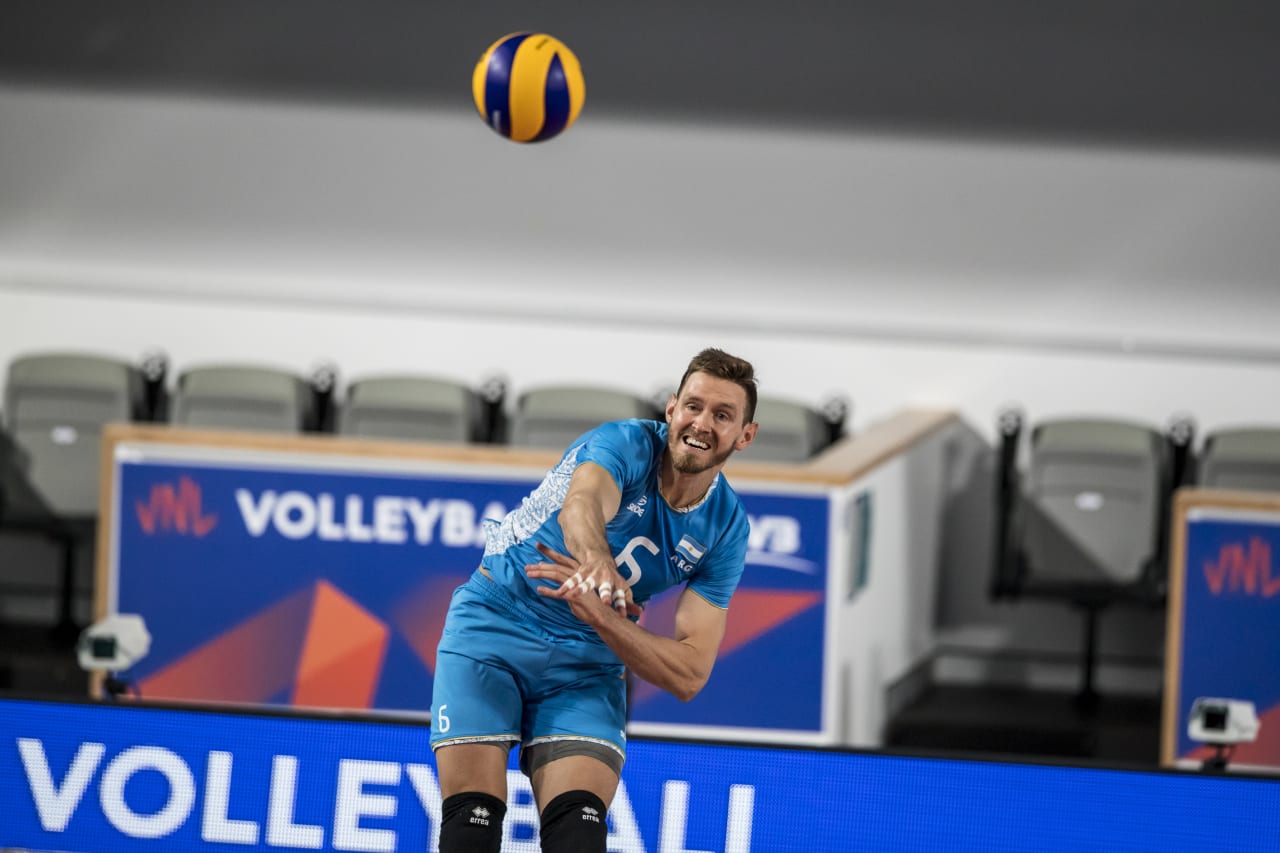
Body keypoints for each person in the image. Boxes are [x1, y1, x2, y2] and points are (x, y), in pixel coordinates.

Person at [429, 347, 760, 853]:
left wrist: (603, 618)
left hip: (586, 662)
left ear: (745, 436)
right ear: (671, 409)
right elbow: (581, 504)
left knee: (578, 834)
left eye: (722, 415)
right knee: (471, 823)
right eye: (693, 406)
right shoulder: (624, 442)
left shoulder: (727, 529)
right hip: (495, 622)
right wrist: (596, 563)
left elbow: (690, 674)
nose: (702, 423)